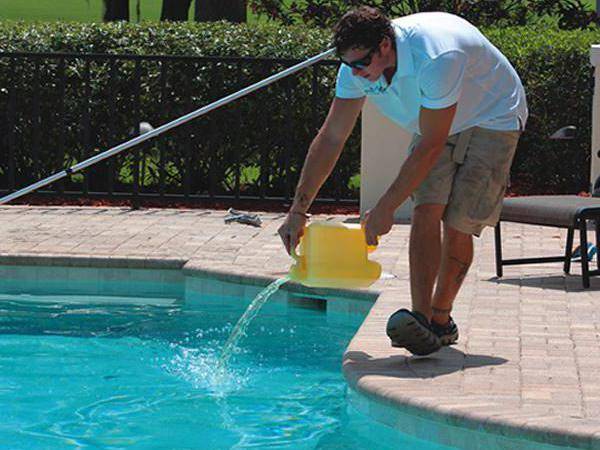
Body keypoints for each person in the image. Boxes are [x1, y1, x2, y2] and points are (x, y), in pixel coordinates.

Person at [277, 6, 527, 356]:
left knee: (458, 222)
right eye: (348, 65)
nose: (356, 73)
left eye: (361, 64)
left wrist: (385, 208)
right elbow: (332, 137)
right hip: (434, 121)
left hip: (493, 113)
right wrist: (298, 211)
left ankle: (441, 320)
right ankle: (420, 320)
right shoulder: (356, 67)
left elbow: (431, 143)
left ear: (383, 46)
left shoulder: (436, 56)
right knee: (426, 208)